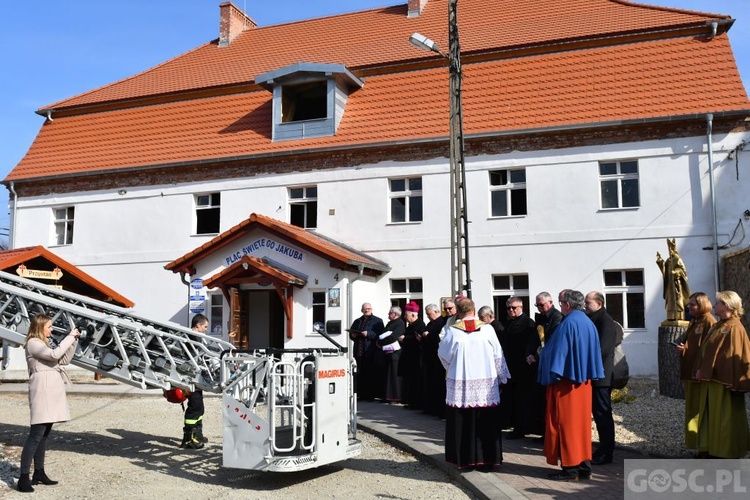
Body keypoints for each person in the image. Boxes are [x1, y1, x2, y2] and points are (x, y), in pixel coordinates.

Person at [438, 297, 511, 471]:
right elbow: (498, 355)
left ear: (458, 311)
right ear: (474, 309)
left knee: (464, 422)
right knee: (485, 422)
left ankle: (465, 461)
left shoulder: (453, 331)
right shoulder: (487, 330)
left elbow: (443, 355)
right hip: (486, 386)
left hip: (462, 385)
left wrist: (453, 368)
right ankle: (488, 460)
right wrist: (502, 377)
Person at [538, 290, 603, 481]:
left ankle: (570, 468)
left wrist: (544, 355)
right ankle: (584, 466)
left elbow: (559, 354)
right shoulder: (587, 322)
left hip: (566, 383)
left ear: (567, 304)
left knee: (565, 424)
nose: (560, 306)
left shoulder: (569, 323)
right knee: (581, 426)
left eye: (560, 303)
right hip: (584, 383)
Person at [18, 314, 80, 493]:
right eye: (49, 327)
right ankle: (23, 478)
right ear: (40, 327)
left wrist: (73, 341)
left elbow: (64, 360)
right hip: (42, 389)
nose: (52, 330)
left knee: (44, 434)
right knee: (35, 435)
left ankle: (39, 472)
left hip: (51, 388)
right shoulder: (33, 343)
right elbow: (54, 355)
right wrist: (69, 337)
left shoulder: (46, 342)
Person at [693, 291, 750, 458]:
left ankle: (724, 451)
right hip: (712, 378)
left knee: (725, 417)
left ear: (727, 305)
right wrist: (701, 369)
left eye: (718, 303)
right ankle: (710, 448)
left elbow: (735, 356)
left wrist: (732, 380)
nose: (714, 305)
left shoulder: (735, 327)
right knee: (711, 416)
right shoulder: (719, 325)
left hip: (724, 381)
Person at [673, 292, 716, 455]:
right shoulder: (695, 321)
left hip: (698, 373)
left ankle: (705, 446)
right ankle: (697, 444)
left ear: (702, 305)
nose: (689, 307)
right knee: (693, 409)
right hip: (690, 372)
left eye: (693, 305)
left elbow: (707, 350)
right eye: (689, 304)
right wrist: (684, 349)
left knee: (701, 410)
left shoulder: (708, 322)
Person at [584, 291, 618, 465]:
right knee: (597, 414)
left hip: (601, 377)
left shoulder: (606, 322)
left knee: (603, 414)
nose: (585, 305)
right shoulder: (593, 319)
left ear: (599, 303)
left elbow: (603, 350)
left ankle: (607, 452)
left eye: (588, 302)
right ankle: (602, 448)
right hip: (594, 375)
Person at [498, 296, 536, 438]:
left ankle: (521, 429)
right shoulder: (509, 323)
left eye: (514, 308)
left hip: (522, 368)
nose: (511, 310)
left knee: (521, 399)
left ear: (521, 307)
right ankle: (512, 424)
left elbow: (530, 344)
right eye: (509, 308)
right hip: (510, 366)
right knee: (512, 398)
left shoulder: (528, 323)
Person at [181, 314, 209, 449]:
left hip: (195, 378)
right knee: (194, 408)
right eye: (205, 327)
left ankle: (197, 435)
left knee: (199, 408)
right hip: (190, 379)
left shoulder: (195, 337)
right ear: (198, 325)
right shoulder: (191, 337)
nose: (205, 329)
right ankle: (188, 439)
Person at [349, 303, 385, 401]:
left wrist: (369, 334)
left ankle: (370, 395)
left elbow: (381, 334)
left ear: (371, 309)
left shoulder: (377, 321)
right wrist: (353, 335)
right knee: (359, 373)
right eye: (365, 309)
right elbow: (352, 334)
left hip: (370, 350)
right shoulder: (357, 321)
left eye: (368, 309)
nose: (367, 310)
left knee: (370, 373)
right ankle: (360, 394)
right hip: (359, 351)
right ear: (362, 310)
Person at [420, 303, 446, 417]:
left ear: (436, 312)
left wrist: (427, 336)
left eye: (429, 314)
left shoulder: (441, 322)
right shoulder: (431, 323)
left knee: (437, 384)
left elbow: (437, 337)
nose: (428, 316)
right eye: (426, 314)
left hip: (436, 357)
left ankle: (437, 409)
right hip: (428, 357)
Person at [655, 238, 691, 321]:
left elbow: (683, 271)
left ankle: (679, 316)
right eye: (669, 249)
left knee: (678, 300)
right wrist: (661, 263)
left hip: (676, 284)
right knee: (670, 302)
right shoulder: (668, 260)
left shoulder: (678, 259)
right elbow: (665, 271)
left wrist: (677, 272)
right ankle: (671, 316)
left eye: (671, 248)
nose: (670, 250)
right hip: (669, 285)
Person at [399, 301, 424, 409]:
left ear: (413, 315)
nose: (405, 317)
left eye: (406, 315)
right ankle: (409, 401)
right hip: (408, 357)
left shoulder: (420, 325)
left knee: (414, 381)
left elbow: (417, 339)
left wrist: (405, 338)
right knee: (409, 381)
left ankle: (415, 403)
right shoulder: (410, 325)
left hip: (415, 357)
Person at [379, 306, 405, 403]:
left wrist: (381, 342)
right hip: (387, 352)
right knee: (387, 374)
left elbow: (394, 337)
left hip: (394, 353)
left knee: (394, 375)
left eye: (390, 313)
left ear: (395, 314)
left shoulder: (399, 323)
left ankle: (395, 396)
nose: (388, 314)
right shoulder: (390, 323)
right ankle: (387, 395)